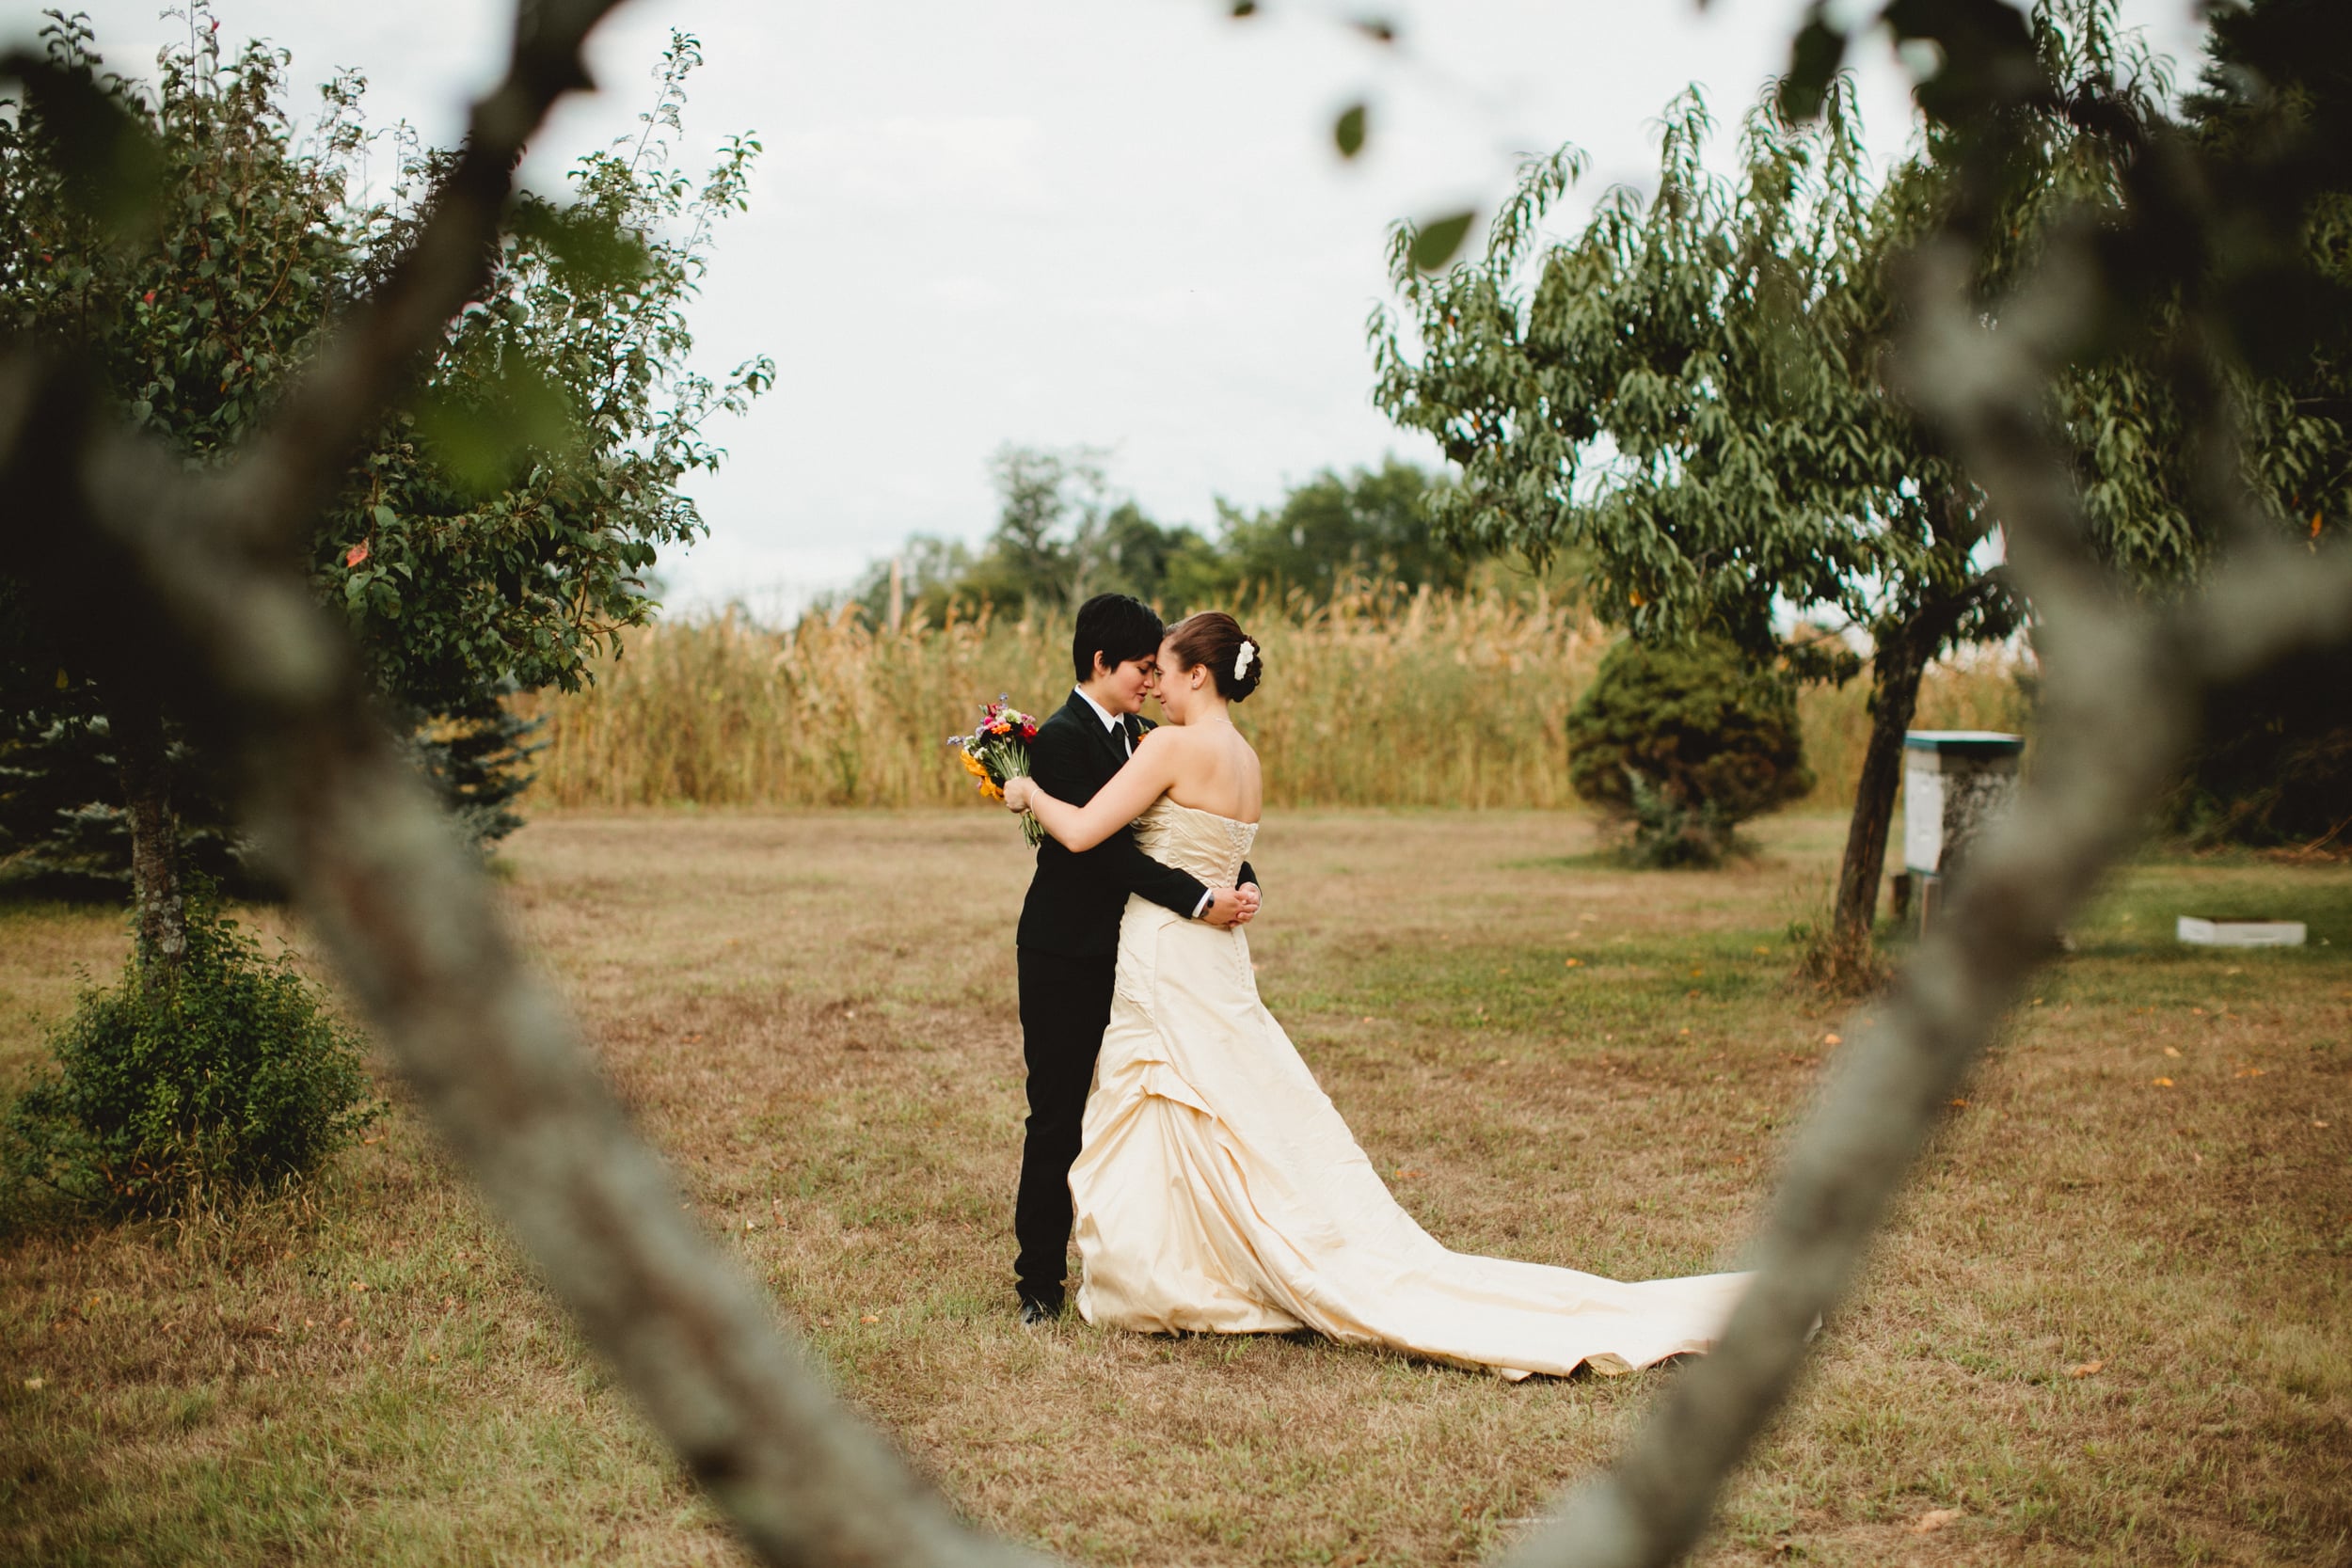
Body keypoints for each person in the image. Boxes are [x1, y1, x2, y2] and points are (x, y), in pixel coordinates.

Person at [1004, 610, 1749, 1378]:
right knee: (1229, 1103)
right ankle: (1194, 1260)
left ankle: (1177, 1268)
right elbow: (1226, 850)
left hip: (1167, 953)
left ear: (1199, 673)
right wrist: (1232, 890)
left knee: (1181, 1100)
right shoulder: (1248, 758)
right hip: (1213, 956)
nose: (1153, 681)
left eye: (1163, 666)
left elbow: (1092, 831)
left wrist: (1025, 790)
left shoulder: (1165, 743)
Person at [1011, 594, 1262, 1328]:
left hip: (1137, 955)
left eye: (1160, 670)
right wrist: (1195, 898)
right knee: (1056, 1116)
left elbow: (1192, 825)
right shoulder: (1058, 741)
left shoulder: (1150, 738)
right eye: (1142, 670)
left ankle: (1146, 1260)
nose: (1152, 683)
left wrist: (1238, 878)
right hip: (1065, 949)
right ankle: (1038, 1283)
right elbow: (1109, 852)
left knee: (1132, 1111)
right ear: (1101, 662)